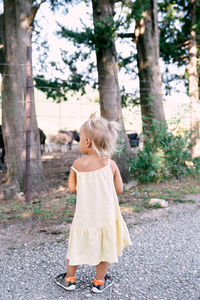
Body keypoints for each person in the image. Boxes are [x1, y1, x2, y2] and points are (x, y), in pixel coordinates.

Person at [55, 113, 132, 293]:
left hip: (84, 216)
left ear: (87, 142)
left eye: (80, 139)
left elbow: (72, 188)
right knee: (105, 247)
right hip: (106, 216)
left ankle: (70, 279)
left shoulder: (77, 164)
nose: (79, 142)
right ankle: (98, 281)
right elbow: (119, 189)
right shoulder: (110, 164)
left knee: (76, 245)